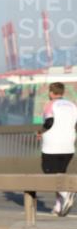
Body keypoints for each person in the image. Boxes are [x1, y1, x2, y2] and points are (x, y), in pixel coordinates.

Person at [40, 82, 76, 217]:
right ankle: (58, 207)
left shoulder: (50, 104)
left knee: (49, 172)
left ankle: (66, 193)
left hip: (52, 146)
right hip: (69, 146)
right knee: (60, 174)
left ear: (51, 92)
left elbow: (49, 122)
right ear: (62, 92)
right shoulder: (72, 105)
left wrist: (40, 132)